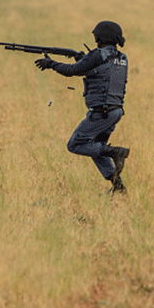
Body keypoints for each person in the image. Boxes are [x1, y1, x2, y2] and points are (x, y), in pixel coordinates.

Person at [34, 21, 130, 193]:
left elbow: (72, 70)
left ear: (101, 37)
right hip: (115, 111)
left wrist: (51, 64)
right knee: (95, 148)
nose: (95, 39)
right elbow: (102, 74)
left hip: (101, 112)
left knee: (75, 145)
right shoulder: (122, 58)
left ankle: (116, 152)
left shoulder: (98, 55)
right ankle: (118, 187)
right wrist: (83, 58)